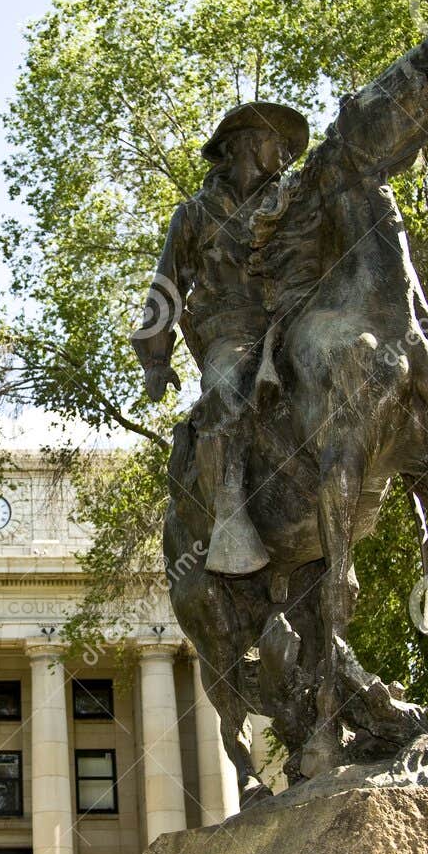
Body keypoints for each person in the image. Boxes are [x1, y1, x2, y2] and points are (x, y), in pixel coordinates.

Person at [134, 101, 310, 576]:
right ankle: (230, 506)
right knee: (228, 386)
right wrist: (155, 359)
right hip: (230, 330)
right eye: (280, 141)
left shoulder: (295, 203)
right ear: (249, 143)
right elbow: (166, 287)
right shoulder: (193, 216)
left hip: (294, 322)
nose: (289, 152)